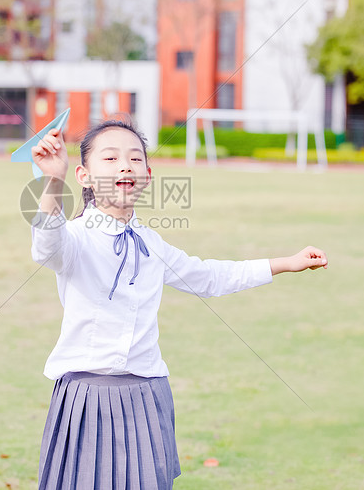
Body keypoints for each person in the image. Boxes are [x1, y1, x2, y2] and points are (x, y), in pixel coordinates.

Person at [29, 118, 328, 490]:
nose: (125, 166)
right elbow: (46, 247)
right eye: (110, 158)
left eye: (135, 159)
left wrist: (285, 263)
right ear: (84, 176)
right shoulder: (75, 238)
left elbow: (209, 277)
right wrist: (52, 181)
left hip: (147, 393)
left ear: (148, 175)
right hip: (87, 396)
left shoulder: (152, 243)